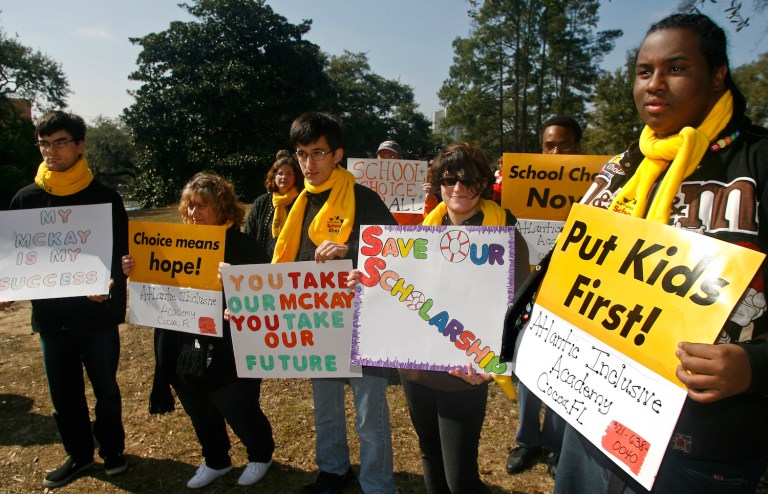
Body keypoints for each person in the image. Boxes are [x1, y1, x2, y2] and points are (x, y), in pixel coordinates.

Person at [554, 13, 768, 493]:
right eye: (643, 71)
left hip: (699, 444)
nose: (654, 84)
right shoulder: (621, 169)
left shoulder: (758, 163)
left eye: (675, 69)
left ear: (717, 75)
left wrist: (755, 367)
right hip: (593, 417)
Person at [349, 143, 530, 493]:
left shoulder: (508, 238)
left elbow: (519, 312)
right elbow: (398, 289)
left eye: (468, 180)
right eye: (449, 180)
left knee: (459, 478)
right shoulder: (417, 233)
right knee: (429, 455)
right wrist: (368, 281)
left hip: (465, 375)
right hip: (415, 370)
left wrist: (494, 365)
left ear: (483, 184)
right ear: (438, 185)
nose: (458, 189)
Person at [0, 111, 129, 488]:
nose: (50, 151)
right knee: (63, 392)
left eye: (59, 142)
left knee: (105, 389)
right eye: (44, 143)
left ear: (79, 146)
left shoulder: (105, 197)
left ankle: (113, 451)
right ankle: (79, 454)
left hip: (96, 316)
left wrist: (108, 280)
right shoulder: (25, 198)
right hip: (52, 318)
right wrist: (7, 287)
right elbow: (15, 255)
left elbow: (121, 256)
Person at [122, 173, 275, 489]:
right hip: (181, 342)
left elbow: (267, 297)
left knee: (236, 404)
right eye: (190, 206)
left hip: (231, 345)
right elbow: (159, 287)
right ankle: (216, 459)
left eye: (203, 206)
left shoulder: (245, 247)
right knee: (196, 404)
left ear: (223, 207)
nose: (194, 213)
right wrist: (135, 270)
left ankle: (260, 454)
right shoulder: (173, 244)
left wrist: (238, 282)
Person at [272, 112, 397, 494]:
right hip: (316, 323)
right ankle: (333, 471)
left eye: (318, 153)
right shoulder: (295, 205)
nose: (308, 164)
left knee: (368, 415)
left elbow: (396, 253)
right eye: (301, 154)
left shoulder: (364, 199)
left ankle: (377, 485)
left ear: (338, 154)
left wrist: (353, 248)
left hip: (362, 324)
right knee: (325, 408)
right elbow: (281, 266)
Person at [506, 115, 582, 479]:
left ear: (578, 148)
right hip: (530, 293)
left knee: (559, 371)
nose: (555, 152)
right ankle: (527, 440)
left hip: (571, 296)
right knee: (526, 366)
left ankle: (554, 445)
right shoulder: (522, 182)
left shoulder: (599, 189)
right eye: (549, 146)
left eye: (563, 145)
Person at [244, 155, 304, 257]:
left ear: (296, 177)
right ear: (273, 176)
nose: (284, 177)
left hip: (295, 263)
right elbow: (249, 234)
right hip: (264, 262)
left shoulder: (303, 200)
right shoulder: (261, 202)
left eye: (289, 174)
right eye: (280, 174)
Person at [376, 140, 437, 226]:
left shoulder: (415, 182)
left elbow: (427, 220)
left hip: (405, 236)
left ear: (400, 159)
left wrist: (429, 200)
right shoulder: (367, 182)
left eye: (392, 156)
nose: (387, 161)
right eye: (382, 156)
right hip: (374, 234)